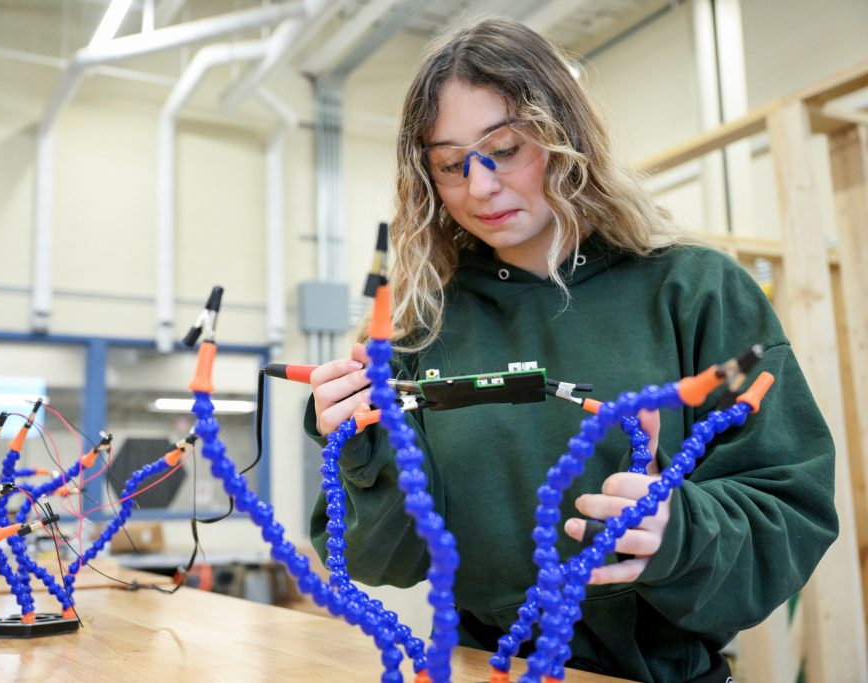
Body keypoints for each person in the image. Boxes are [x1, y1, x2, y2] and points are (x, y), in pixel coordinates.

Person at [304, 17, 837, 683]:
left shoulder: (695, 293)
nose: (480, 186)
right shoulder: (420, 329)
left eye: (505, 148)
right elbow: (379, 559)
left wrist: (682, 531)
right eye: (449, 163)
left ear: (566, 137)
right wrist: (360, 452)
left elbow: (791, 509)